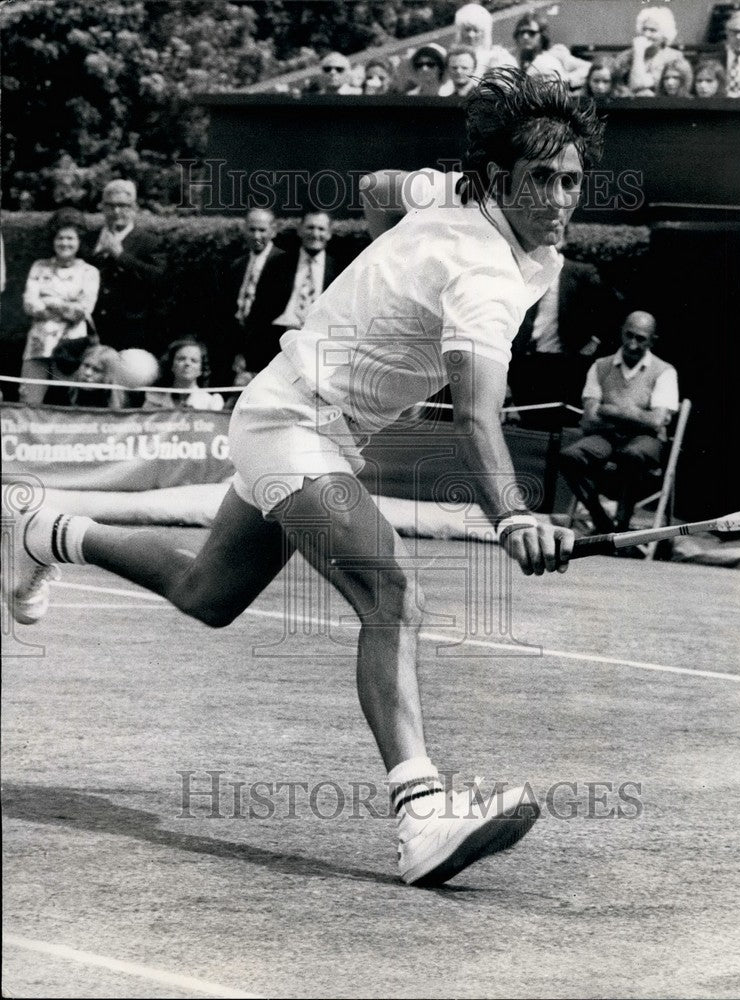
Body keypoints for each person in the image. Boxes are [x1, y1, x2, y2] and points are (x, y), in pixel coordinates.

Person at [7, 71, 604, 889]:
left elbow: (377, 189)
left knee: (208, 594)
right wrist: (512, 516)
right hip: (295, 424)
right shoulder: (486, 279)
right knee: (391, 594)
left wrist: (397, 264)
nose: (561, 198)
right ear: (499, 178)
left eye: (572, 180)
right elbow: (475, 417)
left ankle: (43, 531)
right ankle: (421, 816)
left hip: (300, 419)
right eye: (542, 178)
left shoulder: (453, 198)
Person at [559, 311, 679, 534]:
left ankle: (622, 525)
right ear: (622, 333)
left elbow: (655, 422)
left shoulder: (664, 371)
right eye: (629, 335)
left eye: (641, 339)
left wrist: (609, 409)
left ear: (652, 341)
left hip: (644, 442)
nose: (632, 344)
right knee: (569, 457)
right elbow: (590, 418)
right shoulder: (600, 366)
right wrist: (636, 415)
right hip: (606, 438)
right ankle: (601, 520)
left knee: (632, 455)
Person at [508, 233, 618, 409]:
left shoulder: (581, 273)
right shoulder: (523, 272)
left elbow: (611, 309)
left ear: (562, 241)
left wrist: (594, 341)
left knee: (558, 415)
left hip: (563, 362)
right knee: (528, 413)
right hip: (526, 360)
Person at [20, 207, 100, 404]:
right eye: (60, 238)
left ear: (79, 241)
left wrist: (48, 301)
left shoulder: (89, 272)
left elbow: (82, 311)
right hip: (39, 344)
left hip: (71, 347)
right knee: (29, 401)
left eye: (70, 238)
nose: (65, 243)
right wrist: (66, 305)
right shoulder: (39, 267)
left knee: (67, 403)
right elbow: (30, 305)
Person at [88, 179, 164, 353]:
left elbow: (158, 278)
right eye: (110, 205)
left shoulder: (149, 242)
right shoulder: (88, 239)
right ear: (102, 207)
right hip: (91, 328)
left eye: (123, 206)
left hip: (130, 330)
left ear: (134, 208)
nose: (116, 211)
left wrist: (121, 256)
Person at [225, 207, 287, 383]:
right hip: (240, 354)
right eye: (252, 230)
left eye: (262, 230)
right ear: (245, 230)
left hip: (272, 353)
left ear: (273, 231)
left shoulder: (286, 264)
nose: (256, 236)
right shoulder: (237, 265)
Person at [269, 209, 341, 358]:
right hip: (277, 344)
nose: (315, 234)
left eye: (321, 229)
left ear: (329, 233)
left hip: (319, 346)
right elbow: (262, 310)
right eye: (310, 227)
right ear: (300, 230)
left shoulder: (339, 269)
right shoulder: (279, 264)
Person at [512, 13, 591, 90]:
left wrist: (565, 81)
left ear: (542, 35)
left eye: (531, 33)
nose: (525, 37)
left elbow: (588, 68)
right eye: (521, 33)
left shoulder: (555, 54)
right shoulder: (513, 57)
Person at [614, 7, 682, 96]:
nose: (646, 34)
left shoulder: (674, 57)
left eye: (653, 30)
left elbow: (639, 85)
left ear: (664, 35)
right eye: (644, 29)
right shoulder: (624, 57)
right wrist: (638, 52)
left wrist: (639, 53)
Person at [145, 337, 223, 411]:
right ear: (172, 365)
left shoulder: (210, 403)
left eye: (194, 360)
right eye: (181, 359)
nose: (187, 363)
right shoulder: (154, 400)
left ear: (201, 369)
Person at [44, 344, 125, 409]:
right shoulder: (58, 395)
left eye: (96, 370)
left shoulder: (122, 408)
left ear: (109, 376)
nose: (88, 373)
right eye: (86, 365)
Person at [452, 3, 517, 79]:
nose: (471, 35)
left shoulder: (497, 56)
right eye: (467, 30)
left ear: (484, 33)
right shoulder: (453, 59)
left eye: (476, 30)